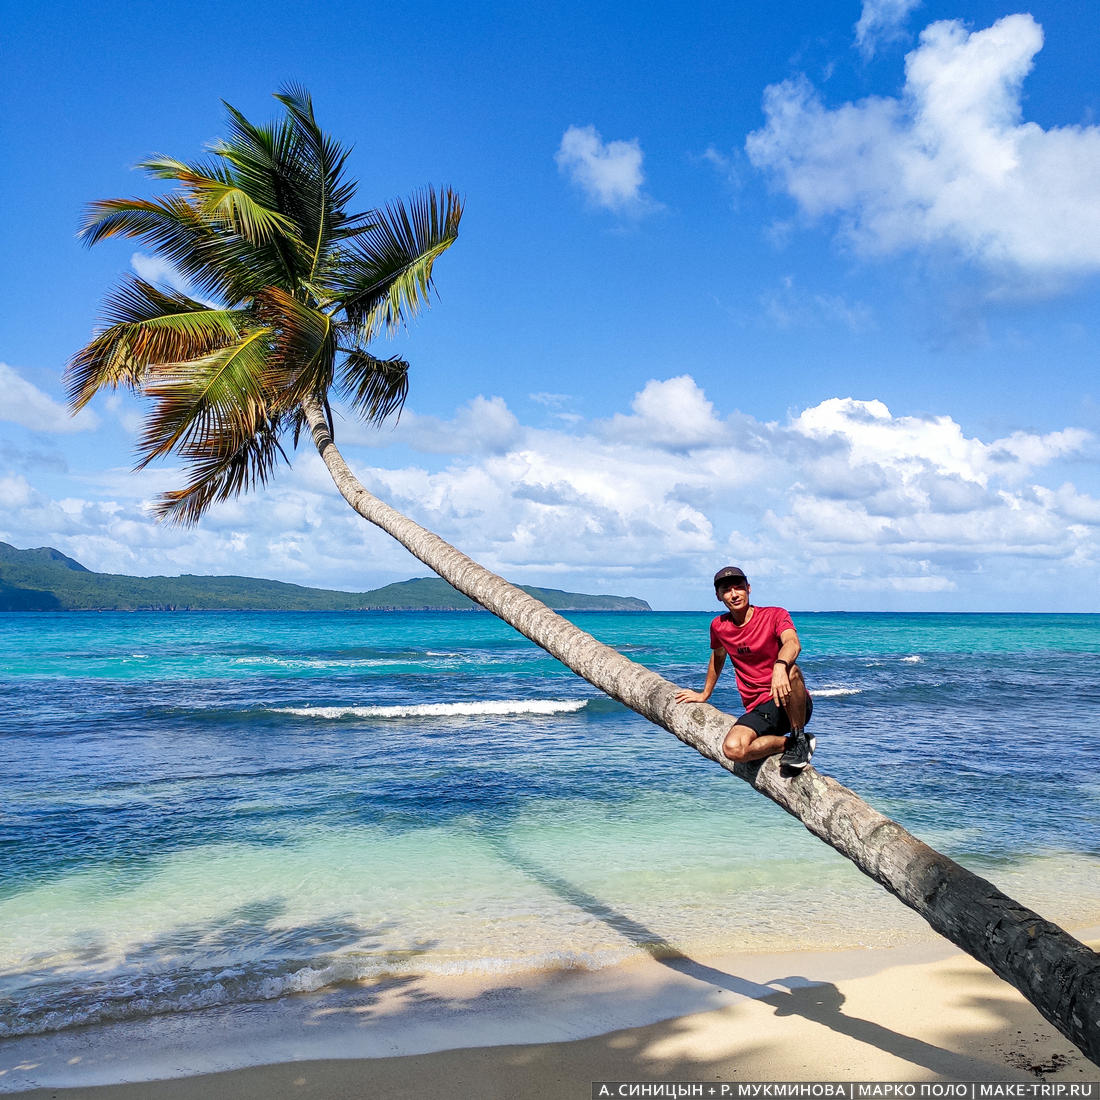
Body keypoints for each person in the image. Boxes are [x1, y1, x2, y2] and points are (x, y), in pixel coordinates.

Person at [674, 566, 815, 770]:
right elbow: (718, 655)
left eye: (738, 588)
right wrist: (705, 693)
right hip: (759, 708)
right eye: (727, 590)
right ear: (718, 596)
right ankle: (789, 744)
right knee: (733, 749)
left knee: (792, 671)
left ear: (748, 588)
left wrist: (779, 666)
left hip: (791, 703)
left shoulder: (774, 615)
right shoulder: (719, 626)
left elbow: (792, 643)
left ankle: (799, 736)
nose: (734, 594)